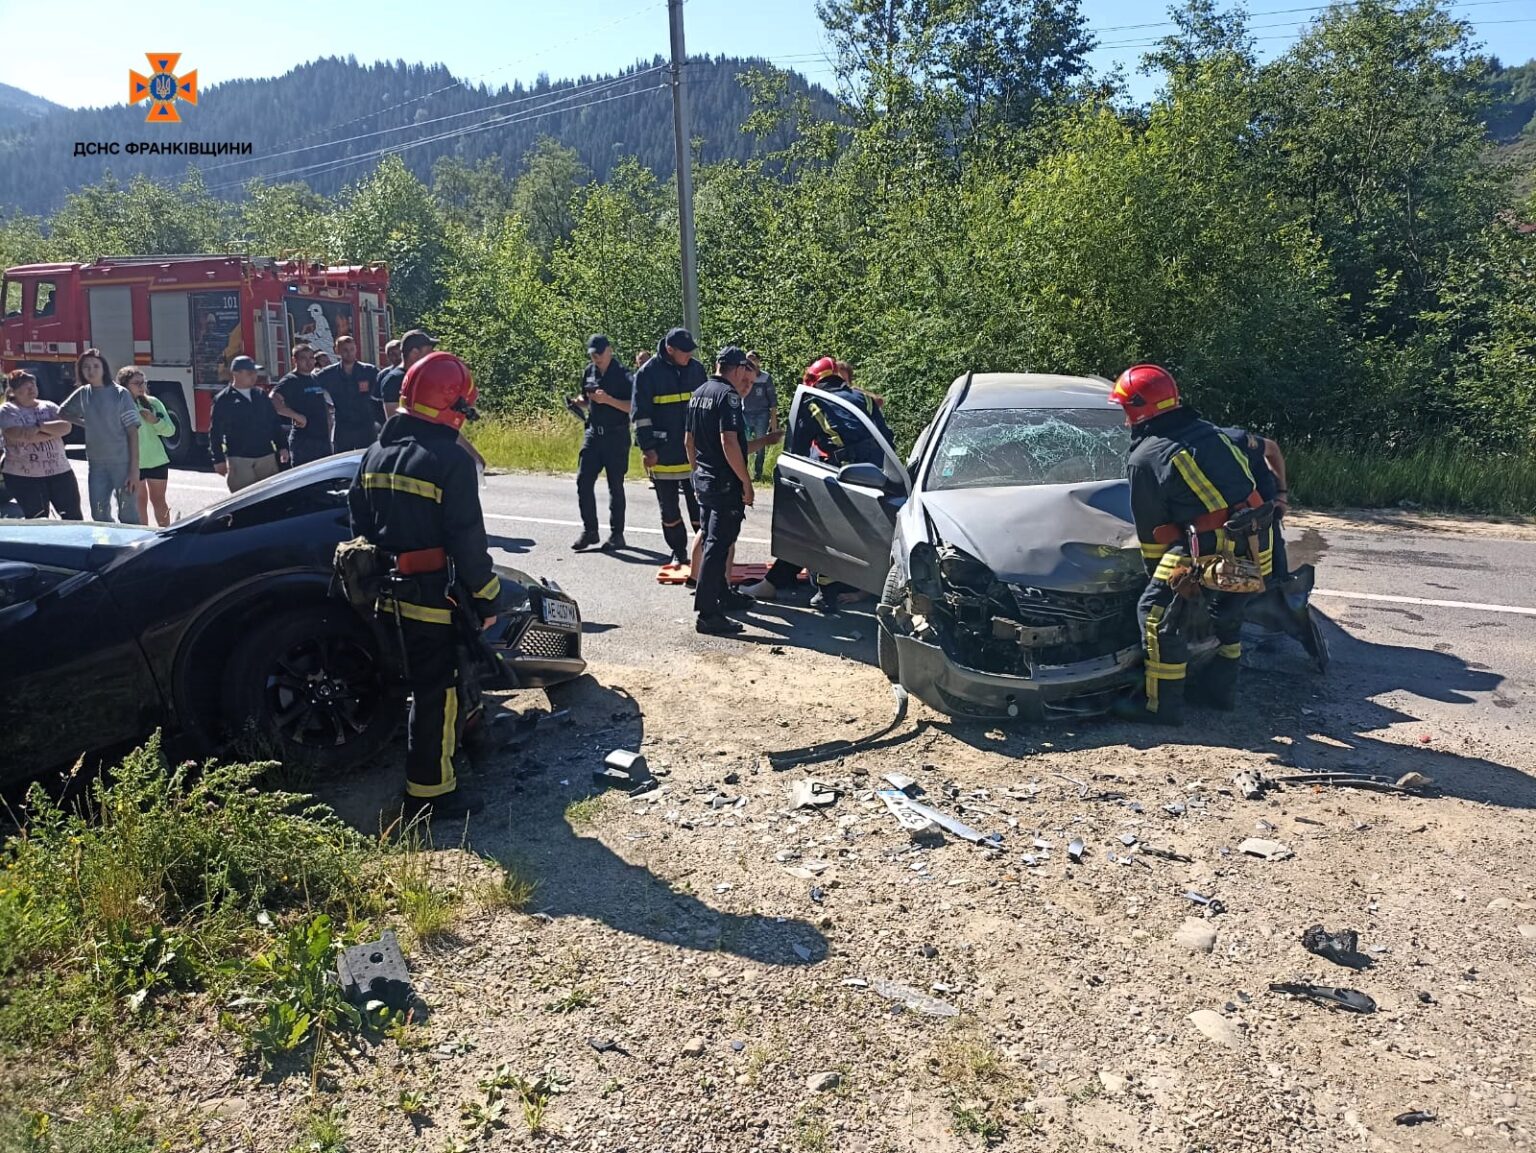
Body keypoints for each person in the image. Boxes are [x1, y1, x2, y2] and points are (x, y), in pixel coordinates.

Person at [348, 351, 501, 821]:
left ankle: (450, 764)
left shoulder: (375, 452)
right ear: (452, 405)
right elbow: (466, 537)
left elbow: (357, 521)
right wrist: (487, 594)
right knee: (439, 689)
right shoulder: (448, 458)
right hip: (433, 593)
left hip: (383, 593)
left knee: (419, 685)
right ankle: (431, 794)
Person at [1109, 364, 1272, 725]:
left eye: (1125, 410)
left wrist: (1160, 583)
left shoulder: (1145, 458)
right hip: (1257, 544)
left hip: (1209, 549)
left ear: (1138, 409)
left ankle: (1160, 707)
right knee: (1228, 616)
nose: (1123, 420)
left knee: (1154, 615)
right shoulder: (1212, 433)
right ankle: (1220, 694)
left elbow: (1152, 536)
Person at [743, 356, 897, 608]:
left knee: (819, 529)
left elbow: (798, 450)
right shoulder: (865, 400)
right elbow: (886, 438)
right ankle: (781, 583)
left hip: (841, 476)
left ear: (813, 381)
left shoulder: (813, 401)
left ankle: (826, 592)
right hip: (877, 476)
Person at [685, 347, 763, 636]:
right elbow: (729, 440)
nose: (746, 375)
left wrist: (696, 474)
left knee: (714, 539)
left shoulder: (699, 393)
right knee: (718, 546)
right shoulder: (727, 396)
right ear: (738, 368)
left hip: (705, 479)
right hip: (723, 482)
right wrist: (746, 481)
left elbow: (688, 441)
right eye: (745, 369)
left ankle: (724, 596)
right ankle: (708, 613)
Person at [632, 327, 705, 565]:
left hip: (694, 451)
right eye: (685, 352)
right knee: (669, 509)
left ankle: (704, 550)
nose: (689, 356)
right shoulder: (648, 374)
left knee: (700, 504)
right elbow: (640, 416)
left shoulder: (696, 369)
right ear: (670, 349)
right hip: (663, 453)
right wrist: (647, 448)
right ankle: (679, 551)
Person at [59, 348, 140, 523]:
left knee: (128, 514)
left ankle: (132, 548)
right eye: (86, 367)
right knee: (99, 513)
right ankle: (107, 546)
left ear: (104, 368)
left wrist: (134, 471)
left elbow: (133, 432)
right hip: (96, 464)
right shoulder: (83, 393)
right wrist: (86, 423)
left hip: (122, 463)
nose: (91, 370)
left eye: (96, 366)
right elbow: (62, 412)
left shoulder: (120, 394)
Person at [571, 334, 633, 552]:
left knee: (615, 485)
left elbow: (632, 407)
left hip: (616, 436)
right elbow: (588, 400)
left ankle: (617, 535)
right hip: (593, 434)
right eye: (592, 354)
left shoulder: (624, 376)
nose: (596, 358)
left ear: (609, 350)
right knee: (583, 480)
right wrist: (582, 402)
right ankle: (590, 530)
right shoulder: (589, 372)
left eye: (599, 353)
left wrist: (608, 400)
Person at [0, 369, 82, 519]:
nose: (31, 388)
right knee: (38, 520)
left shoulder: (48, 406)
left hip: (60, 472)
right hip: (25, 477)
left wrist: (39, 426)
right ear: (14, 391)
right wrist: (52, 432)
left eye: (33, 384)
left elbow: (66, 427)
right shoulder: (8, 410)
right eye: (25, 386)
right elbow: (19, 435)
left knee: (73, 516)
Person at [1221, 425, 1290, 580]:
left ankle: (1280, 584)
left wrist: (1282, 493)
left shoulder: (1236, 439)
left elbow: (1272, 449)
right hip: (1233, 501)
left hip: (1262, 497)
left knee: (1271, 550)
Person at [209, 356, 287, 492]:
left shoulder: (260, 394)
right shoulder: (223, 399)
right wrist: (218, 459)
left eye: (255, 373)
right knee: (244, 499)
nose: (254, 376)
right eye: (249, 373)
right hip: (240, 458)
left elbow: (274, 422)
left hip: (266, 455)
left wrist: (282, 446)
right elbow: (215, 431)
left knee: (271, 498)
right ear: (236, 374)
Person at [121, 369, 175, 527]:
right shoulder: (120, 405)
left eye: (143, 382)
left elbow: (170, 430)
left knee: (159, 500)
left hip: (156, 460)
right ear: (125, 385)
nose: (141, 386)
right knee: (139, 501)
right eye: (136, 383)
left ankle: (166, 534)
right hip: (132, 463)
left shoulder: (153, 403)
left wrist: (155, 420)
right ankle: (143, 537)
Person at [270, 343, 334, 465]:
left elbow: (322, 405)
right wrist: (296, 416)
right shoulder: (291, 380)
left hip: (322, 441)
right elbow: (273, 400)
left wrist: (329, 424)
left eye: (311, 358)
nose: (309, 361)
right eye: (304, 358)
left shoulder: (314, 379)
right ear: (295, 360)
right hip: (304, 442)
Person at [315, 334, 381, 451]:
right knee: (341, 461)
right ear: (337, 351)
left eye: (352, 349)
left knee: (367, 458)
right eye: (345, 350)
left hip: (366, 425)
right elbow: (311, 390)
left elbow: (380, 396)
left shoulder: (369, 371)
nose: (349, 353)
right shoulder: (328, 374)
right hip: (343, 426)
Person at [743, 351, 778, 482]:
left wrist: (773, 418)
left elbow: (772, 399)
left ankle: (758, 474)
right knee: (743, 444)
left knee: (760, 444)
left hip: (761, 414)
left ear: (758, 361)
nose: (751, 362)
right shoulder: (742, 375)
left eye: (753, 359)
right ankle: (743, 473)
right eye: (748, 359)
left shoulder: (765, 377)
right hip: (745, 413)